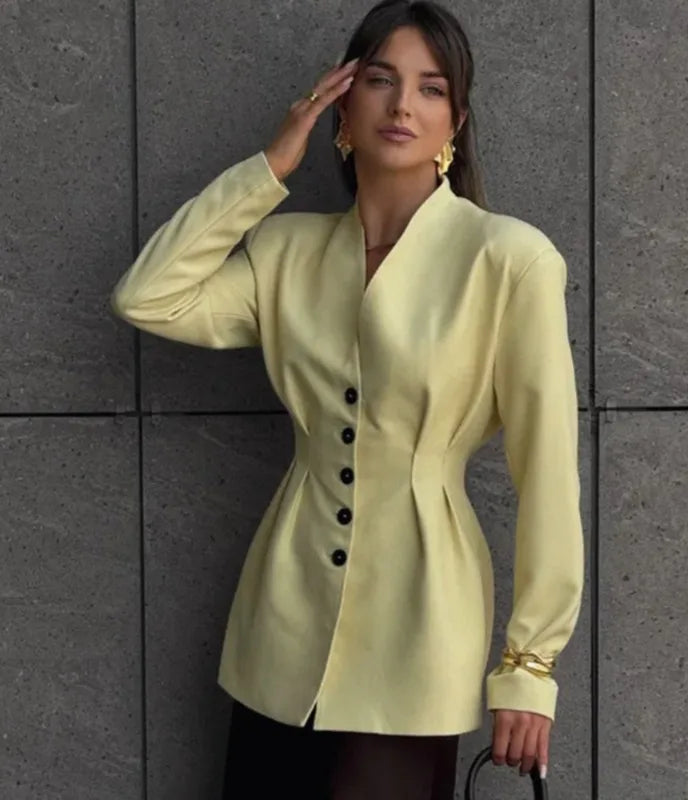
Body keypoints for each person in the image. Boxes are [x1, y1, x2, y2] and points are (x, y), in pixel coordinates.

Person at [109, 0, 584, 797]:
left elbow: (549, 475)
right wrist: (269, 168)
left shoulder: (509, 259)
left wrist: (529, 666)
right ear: (340, 105)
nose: (403, 105)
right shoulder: (289, 252)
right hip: (278, 627)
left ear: (455, 122)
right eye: (380, 80)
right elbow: (148, 297)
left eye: (432, 90)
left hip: (420, 627)